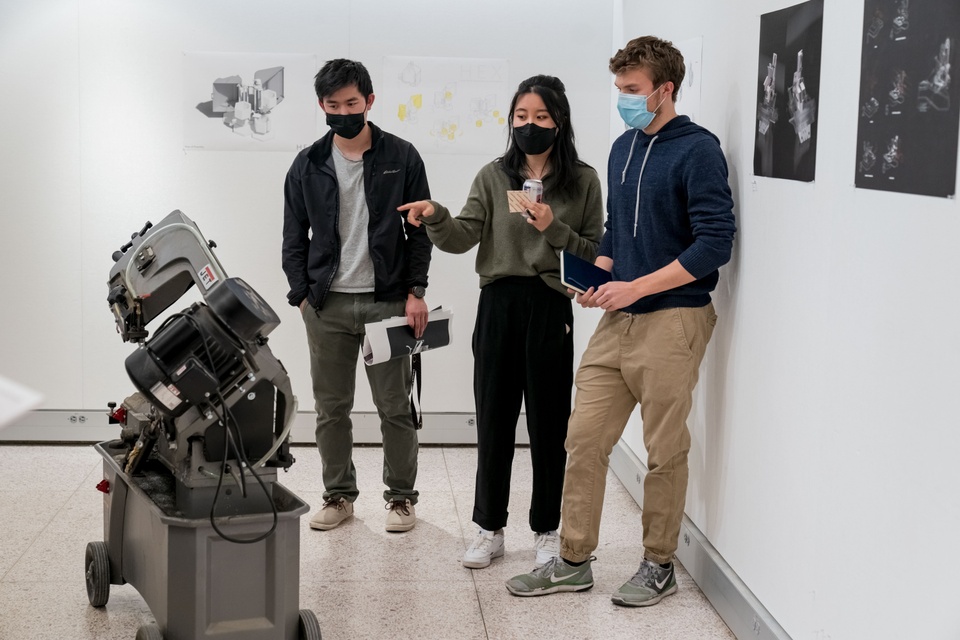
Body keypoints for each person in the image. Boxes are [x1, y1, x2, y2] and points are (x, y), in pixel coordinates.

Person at [505, 36, 736, 606]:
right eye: (619, 90)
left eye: (633, 91)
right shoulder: (622, 148)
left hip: (675, 319)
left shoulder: (698, 150)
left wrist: (639, 285)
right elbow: (616, 234)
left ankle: (658, 565)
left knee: (665, 450)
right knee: (582, 439)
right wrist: (599, 275)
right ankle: (573, 559)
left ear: (666, 89)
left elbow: (715, 243)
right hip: (619, 319)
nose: (624, 100)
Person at [399, 75, 604, 569]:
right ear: (510, 121)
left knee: (550, 423)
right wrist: (433, 214)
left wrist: (551, 226)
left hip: (551, 306)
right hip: (498, 304)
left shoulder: (583, 179)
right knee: (493, 418)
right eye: (520, 117)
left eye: (540, 117)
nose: (529, 126)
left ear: (559, 121)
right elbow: (463, 234)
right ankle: (489, 526)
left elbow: (595, 253)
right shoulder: (493, 176)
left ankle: (546, 529)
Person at [281, 58, 432, 533]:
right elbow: (292, 238)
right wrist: (303, 297)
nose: (343, 111)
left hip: (387, 301)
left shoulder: (402, 156)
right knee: (331, 410)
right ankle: (339, 496)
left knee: (395, 407)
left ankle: (402, 499)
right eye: (333, 104)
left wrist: (415, 292)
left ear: (369, 101)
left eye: (351, 102)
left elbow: (420, 233)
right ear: (321, 107)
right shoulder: (307, 164)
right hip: (327, 305)